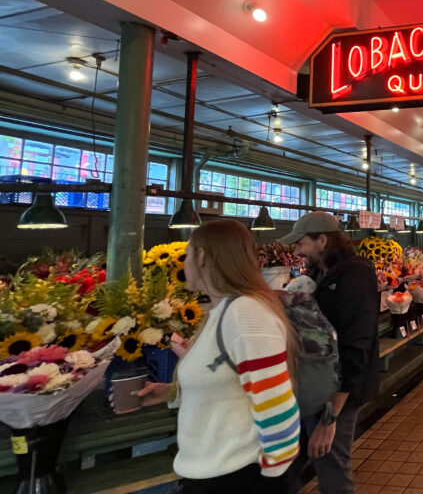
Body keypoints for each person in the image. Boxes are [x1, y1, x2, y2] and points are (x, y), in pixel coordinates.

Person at [123, 221, 300, 493]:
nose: (184, 264)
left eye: (188, 254)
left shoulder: (245, 313)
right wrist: (173, 393)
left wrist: (271, 474)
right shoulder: (223, 311)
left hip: (238, 477)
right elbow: (232, 384)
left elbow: (276, 402)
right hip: (214, 473)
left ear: (203, 255)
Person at [282, 212, 379, 494]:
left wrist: (331, 416)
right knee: (300, 458)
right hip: (315, 382)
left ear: (321, 240)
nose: (297, 251)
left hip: (341, 391)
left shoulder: (356, 273)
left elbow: (356, 343)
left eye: (300, 244)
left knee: (331, 461)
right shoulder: (315, 273)